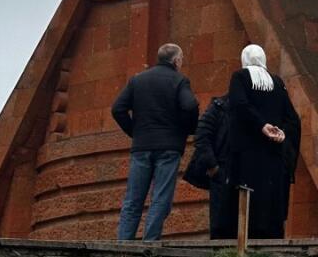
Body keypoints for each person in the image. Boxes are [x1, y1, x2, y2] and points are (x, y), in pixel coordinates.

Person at [111, 43, 199, 241]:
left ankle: (123, 245)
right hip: (168, 147)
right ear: (176, 60)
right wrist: (188, 129)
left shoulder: (137, 80)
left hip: (142, 146)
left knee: (133, 198)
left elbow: (117, 109)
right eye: (181, 59)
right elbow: (190, 104)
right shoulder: (179, 80)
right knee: (160, 197)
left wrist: (134, 132)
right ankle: (149, 243)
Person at [226, 45, 301, 239]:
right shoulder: (276, 82)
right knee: (271, 197)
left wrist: (261, 125)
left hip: (247, 151)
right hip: (273, 152)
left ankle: (245, 238)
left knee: (248, 195)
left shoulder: (240, 77)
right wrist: (281, 133)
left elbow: (239, 105)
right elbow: (292, 117)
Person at [183, 94, 237, 238]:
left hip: (234, 172)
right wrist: (213, 167)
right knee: (221, 223)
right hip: (222, 171)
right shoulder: (219, 107)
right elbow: (201, 136)